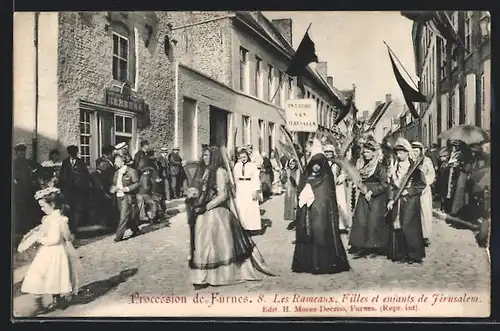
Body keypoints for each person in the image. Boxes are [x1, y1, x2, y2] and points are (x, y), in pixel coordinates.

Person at [185, 146, 275, 290]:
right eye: (203, 155)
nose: (204, 158)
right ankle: (201, 277)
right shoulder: (204, 171)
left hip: (217, 213)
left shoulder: (221, 173)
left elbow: (223, 196)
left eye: (207, 155)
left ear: (213, 157)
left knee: (215, 244)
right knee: (201, 243)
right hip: (202, 213)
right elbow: (200, 188)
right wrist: (192, 195)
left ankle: (217, 275)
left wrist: (206, 207)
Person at [21, 187, 79, 312]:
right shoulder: (47, 219)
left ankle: (56, 299)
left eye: (43, 206)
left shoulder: (60, 220)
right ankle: (40, 300)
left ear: (52, 204)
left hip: (56, 251)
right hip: (46, 252)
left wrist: (40, 239)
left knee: (54, 275)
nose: (42, 209)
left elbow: (56, 239)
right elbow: (44, 232)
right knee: (40, 274)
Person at [292, 151, 350, 275]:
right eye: (314, 164)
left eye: (319, 165)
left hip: (321, 214)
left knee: (320, 234)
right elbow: (300, 191)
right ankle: (307, 263)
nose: (316, 167)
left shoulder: (326, 177)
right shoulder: (306, 175)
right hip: (308, 212)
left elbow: (326, 196)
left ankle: (322, 262)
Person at [386, 138, 427, 264]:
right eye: (397, 153)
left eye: (401, 152)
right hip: (398, 200)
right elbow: (392, 186)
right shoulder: (395, 168)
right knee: (397, 227)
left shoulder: (414, 169)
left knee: (409, 226)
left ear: (407, 153)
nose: (399, 155)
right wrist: (390, 199)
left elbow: (421, 184)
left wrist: (408, 191)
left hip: (410, 201)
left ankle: (414, 255)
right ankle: (401, 253)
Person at [348, 139, 389, 258]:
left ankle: (374, 246)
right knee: (360, 220)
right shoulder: (363, 166)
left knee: (373, 222)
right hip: (363, 195)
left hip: (376, 198)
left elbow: (385, 184)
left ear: (373, 153)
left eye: (367, 152)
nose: (365, 154)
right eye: (364, 152)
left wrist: (373, 191)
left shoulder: (380, 167)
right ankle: (360, 245)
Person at [59, 145, 91, 232]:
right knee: (69, 208)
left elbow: (86, 175)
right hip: (68, 190)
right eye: (71, 153)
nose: (73, 155)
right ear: (69, 153)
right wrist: (62, 189)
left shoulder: (81, 162)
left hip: (79, 190)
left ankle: (75, 227)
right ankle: (69, 226)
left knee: (78, 208)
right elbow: (61, 176)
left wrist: (84, 186)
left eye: (74, 153)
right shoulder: (65, 163)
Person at [110, 154, 141, 242]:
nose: (115, 163)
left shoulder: (131, 171)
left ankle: (118, 237)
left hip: (127, 197)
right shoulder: (116, 172)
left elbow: (137, 184)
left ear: (123, 162)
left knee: (123, 217)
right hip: (118, 196)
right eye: (115, 161)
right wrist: (112, 189)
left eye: (117, 161)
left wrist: (127, 189)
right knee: (127, 215)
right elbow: (113, 184)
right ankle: (135, 229)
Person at [13, 143, 41, 237]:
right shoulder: (14, 163)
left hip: (29, 191)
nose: (22, 154)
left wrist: (34, 178)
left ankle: (29, 228)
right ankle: (19, 230)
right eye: (20, 153)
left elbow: (39, 169)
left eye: (23, 152)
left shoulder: (29, 162)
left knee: (29, 209)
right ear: (16, 153)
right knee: (19, 210)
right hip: (18, 191)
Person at [412, 141, 436, 247]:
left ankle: (425, 236)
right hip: (413, 190)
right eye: (413, 150)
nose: (415, 152)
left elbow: (431, 174)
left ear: (421, 151)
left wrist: (425, 184)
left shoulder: (427, 161)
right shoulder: (411, 161)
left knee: (425, 212)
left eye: (416, 151)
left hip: (424, 191)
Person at [324, 144, 351, 233]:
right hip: (327, 186)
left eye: (329, 152)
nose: (328, 154)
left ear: (333, 152)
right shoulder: (323, 163)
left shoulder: (338, 162)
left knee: (340, 203)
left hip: (338, 186)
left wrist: (340, 178)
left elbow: (344, 172)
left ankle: (342, 225)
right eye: (326, 152)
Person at [233, 148, 262, 233]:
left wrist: (255, 190)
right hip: (240, 187)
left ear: (247, 156)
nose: (243, 159)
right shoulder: (237, 165)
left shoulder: (252, 165)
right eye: (241, 157)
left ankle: (250, 227)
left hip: (249, 186)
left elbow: (255, 179)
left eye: (244, 157)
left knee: (249, 207)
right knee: (241, 207)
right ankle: (242, 226)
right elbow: (235, 178)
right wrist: (235, 188)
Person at [89, 160, 115, 228]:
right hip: (98, 195)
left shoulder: (105, 174)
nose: (105, 167)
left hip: (106, 193)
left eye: (105, 165)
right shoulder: (94, 175)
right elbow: (99, 186)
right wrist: (105, 194)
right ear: (98, 166)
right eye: (103, 165)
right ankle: (103, 223)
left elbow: (109, 184)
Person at [283, 158, 300, 231]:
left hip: (295, 190)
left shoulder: (298, 171)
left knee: (295, 206)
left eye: (293, 164)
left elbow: (297, 182)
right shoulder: (288, 171)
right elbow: (284, 181)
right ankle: (293, 221)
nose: (291, 165)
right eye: (290, 164)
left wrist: (290, 176)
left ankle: (297, 223)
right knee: (290, 206)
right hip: (289, 190)